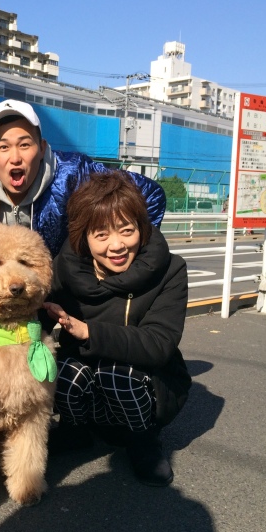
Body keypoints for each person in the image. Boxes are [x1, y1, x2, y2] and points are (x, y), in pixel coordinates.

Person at [43, 170, 191, 487]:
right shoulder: (64, 267)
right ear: (84, 238)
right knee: (63, 369)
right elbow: (36, 316)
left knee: (115, 372)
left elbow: (158, 343)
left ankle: (143, 440)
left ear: (142, 228)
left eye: (126, 231)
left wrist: (88, 332)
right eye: (101, 235)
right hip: (88, 393)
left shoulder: (171, 270)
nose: (117, 246)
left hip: (142, 388)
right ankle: (73, 430)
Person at [0, 99, 166, 257]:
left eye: (25, 145)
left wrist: (98, 267)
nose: (15, 157)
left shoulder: (73, 174)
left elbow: (152, 195)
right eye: (3, 147)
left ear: (42, 148)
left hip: (59, 295)